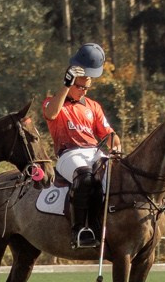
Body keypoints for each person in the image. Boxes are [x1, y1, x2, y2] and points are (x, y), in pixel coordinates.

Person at [40, 42, 119, 248]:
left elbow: (109, 134)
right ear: (70, 82)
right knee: (84, 178)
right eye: (79, 86)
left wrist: (115, 145)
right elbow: (51, 114)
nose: (84, 91)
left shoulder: (94, 106)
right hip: (69, 154)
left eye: (87, 87)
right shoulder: (53, 102)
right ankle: (80, 231)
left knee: (118, 178)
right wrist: (66, 87)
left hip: (94, 151)